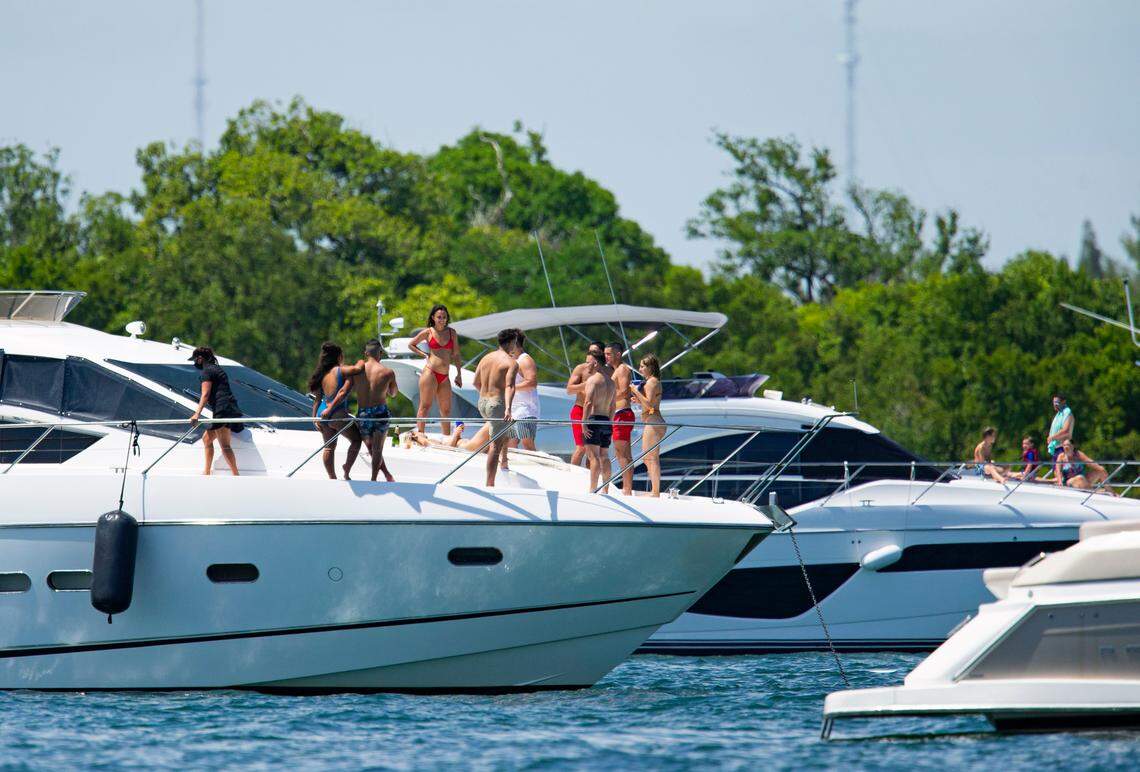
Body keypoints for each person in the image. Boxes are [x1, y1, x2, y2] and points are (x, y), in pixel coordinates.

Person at [308, 342, 364, 480]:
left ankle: (332, 478)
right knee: (356, 440)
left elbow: (317, 399)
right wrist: (361, 361)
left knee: (328, 447)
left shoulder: (322, 374)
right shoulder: (340, 370)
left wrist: (314, 417)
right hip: (335, 412)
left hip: (322, 413)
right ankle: (346, 470)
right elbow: (358, 369)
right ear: (339, 356)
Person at [472, 328, 521, 487]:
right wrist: (507, 408)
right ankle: (490, 484)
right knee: (495, 446)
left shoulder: (485, 358)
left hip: (483, 402)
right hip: (497, 403)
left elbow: (475, 383)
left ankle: (504, 463)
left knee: (502, 434)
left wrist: (486, 397)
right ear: (512, 343)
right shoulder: (511, 362)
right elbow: (510, 386)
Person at [408, 304, 463, 435]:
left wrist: (459, 374)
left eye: (444, 317)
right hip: (430, 372)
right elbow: (411, 344)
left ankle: (446, 438)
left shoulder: (452, 333)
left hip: (445, 375)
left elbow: (456, 354)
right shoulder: (428, 332)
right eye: (439, 317)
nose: (442, 319)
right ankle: (420, 435)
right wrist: (424, 354)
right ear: (433, 318)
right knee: (425, 406)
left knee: (446, 410)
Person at [188, 346, 242, 476]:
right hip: (230, 407)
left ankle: (236, 475)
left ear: (200, 358)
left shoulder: (207, 372)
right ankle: (206, 472)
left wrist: (197, 414)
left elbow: (205, 394)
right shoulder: (217, 369)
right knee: (207, 439)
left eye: (195, 360)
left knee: (224, 445)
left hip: (222, 409)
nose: (195, 363)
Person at [352, 338, 398, 482]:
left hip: (363, 412)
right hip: (380, 412)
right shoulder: (388, 372)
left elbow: (350, 389)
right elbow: (394, 393)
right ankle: (374, 479)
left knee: (371, 448)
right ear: (380, 353)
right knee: (377, 449)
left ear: (366, 353)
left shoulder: (357, 371)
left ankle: (386, 475)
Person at [582, 349, 617, 493]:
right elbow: (613, 405)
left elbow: (588, 402)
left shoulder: (593, 380)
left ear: (596, 363)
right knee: (604, 455)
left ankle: (592, 489)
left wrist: (584, 422)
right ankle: (606, 489)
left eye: (588, 362)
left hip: (594, 419)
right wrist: (610, 422)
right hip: (606, 420)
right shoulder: (611, 382)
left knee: (593, 456)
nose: (587, 366)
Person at [630, 354, 665, 497]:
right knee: (648, 457)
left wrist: (636, 391)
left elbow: (650, 405)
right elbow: (650, 405)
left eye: (642, 366)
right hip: (653, 420)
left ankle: (655, 491)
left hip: (653, 421)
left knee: (651, 457)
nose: (640, 369)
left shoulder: (651, 383)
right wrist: (639, 400)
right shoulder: (654, 382)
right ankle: (654, 490)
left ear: (650, 367)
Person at [566, 341, 605, 467]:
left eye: (595, 352)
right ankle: (573, 475)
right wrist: (587, 384)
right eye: (590, 352)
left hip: (597, 413)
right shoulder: (581, 368)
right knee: (581, 447)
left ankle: (590, 479)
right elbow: (569, 389)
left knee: (593, 450)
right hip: (580, 409)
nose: (591, 355)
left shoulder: (606, 372)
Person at [606, 343, 636, 496]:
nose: (606, 357)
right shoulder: (616, 370)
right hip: (619, 413)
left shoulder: (622, 369)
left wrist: (605, 397)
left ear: (618, 354)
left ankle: (627, 489)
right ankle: (627, 488)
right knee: (623, 453)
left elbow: (624, 391)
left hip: (622, 413)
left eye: (609, 354)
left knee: (622, 453)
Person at [508, 331, 540, 453]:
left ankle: (538, 469)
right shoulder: (512, 360)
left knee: (527, 443)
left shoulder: (525, 360)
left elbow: (531, 383)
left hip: (526, 409)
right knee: (510, 445)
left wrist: (510, 387)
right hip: (513, 408)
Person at [1046, 393, 1074, 463]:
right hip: (1057, 447)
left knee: (1060, 471)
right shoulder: (1059, 414)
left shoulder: (1067, 413)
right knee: (1056, 471)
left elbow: (1065, 430)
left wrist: (1052, 437)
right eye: (1054, 402)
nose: (1055, 404)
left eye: (1057, 402)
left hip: (1063, 448)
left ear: (1063, 402)